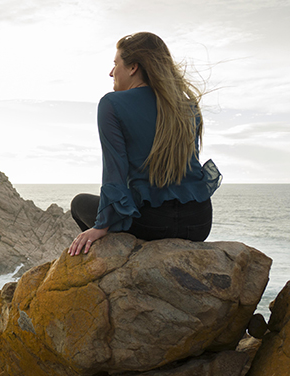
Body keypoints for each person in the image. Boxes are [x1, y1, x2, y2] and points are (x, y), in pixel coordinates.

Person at [69, 32, 221, 256]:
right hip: (198, 223)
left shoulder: (111, 104)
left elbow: (115, 173)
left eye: (115, 64)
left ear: (133, 68)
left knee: (79, 203)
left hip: (152, 223)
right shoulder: (188, 106)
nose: (111, 72)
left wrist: (101, 226)